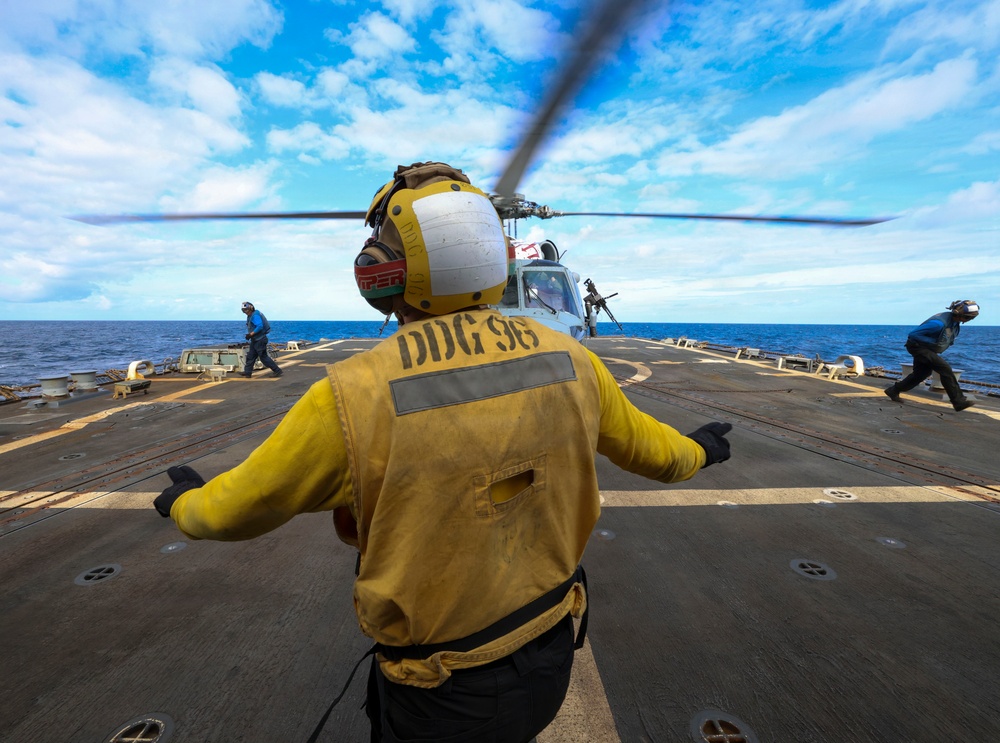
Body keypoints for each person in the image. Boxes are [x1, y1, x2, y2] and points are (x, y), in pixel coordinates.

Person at [154, 162, 733, 743]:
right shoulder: (573, 360)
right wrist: (701, 450)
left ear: (381, 273)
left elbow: (233, 511)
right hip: (551, 651)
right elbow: (660, 455)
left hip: (440, 691)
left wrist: (184, 503)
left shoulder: (352, 393)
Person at [884, 300, 980, 411]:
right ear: (958, 314)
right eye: (968, 318)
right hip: (917, 347)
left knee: (920, 374)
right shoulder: (938, 324)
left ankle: (893, 390)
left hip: (927, 349)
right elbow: (913, 334)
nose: (969, 320)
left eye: (972, 318)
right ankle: (958, 401)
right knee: (945, 369)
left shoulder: (954, 321)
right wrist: (933, 342)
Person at [240, 301, 282, 378]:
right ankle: (247, 372)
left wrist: (250, 334)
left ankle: (277, 370)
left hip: (260, 339)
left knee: (263, 357)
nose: (245, 312)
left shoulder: (255, 316)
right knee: (251, 356)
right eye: (243, 310)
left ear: (251, 308)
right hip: (255, 339)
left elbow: (259, 326)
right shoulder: (252, 315)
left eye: (246, 310)